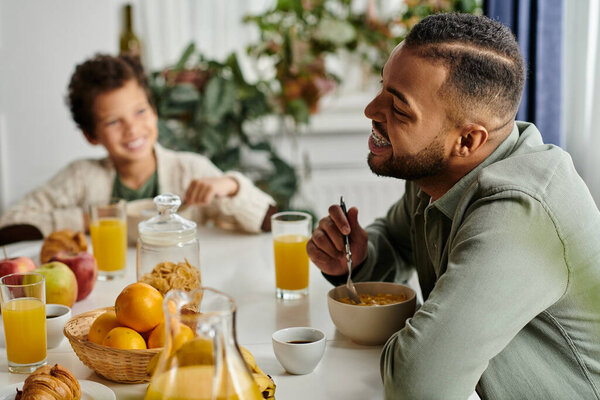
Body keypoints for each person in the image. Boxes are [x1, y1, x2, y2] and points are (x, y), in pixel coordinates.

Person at [307, 13, 600, 399]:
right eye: (382, 87)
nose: (371, 111)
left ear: (467, 141)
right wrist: (357, 259)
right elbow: (395, 242)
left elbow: (418, 383)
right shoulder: (438, 173)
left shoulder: (518, 214)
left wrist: (425, 338)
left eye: (398, 109)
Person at [0, 54, 276, 237]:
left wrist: (229, 186)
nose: (132, 128)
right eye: (112, 122)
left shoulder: (189, 170)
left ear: (154, 111)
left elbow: (271, 221)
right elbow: (10, 224)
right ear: (91, 135)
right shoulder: (81, 178)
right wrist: (86, 222)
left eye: (140, 112)